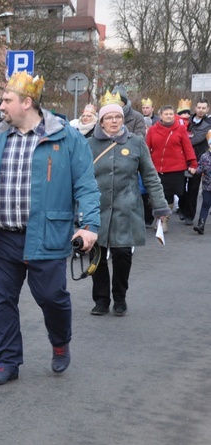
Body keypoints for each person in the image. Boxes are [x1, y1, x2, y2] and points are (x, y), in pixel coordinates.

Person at [0, 72, 101, 386]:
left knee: (52, 297)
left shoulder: (67, 138)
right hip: (2, 237)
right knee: (2, 299)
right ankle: (8, 362)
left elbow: (87, 187)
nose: (1, 106)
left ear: (27, 103)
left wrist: (90, 226)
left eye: (8, 100)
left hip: (46, 235)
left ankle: (60, 341)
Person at [88, 94, 170, 317]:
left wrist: (160, 207)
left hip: (127, 208)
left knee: (123, 254)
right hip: (97, 209)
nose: (114, 121)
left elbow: (151, 176)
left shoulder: (136, 143)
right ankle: (101, 300)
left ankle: (120, 297)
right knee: (97, 254)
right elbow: (79, 179)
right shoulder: (88, 145)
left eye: (118, 117)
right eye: (109, 118)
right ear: (101, 121)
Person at [145, 104, 198, 232]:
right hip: (156, 168)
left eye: (170, 114)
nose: (169, 116)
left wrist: (193, 163)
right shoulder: (152, 130)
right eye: (166, 114)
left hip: (175, 168)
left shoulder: (180, 129)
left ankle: (164, 221)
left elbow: (187, 148)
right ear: (161, 116)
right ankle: (157, 217)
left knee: (168, 195)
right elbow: (146, 149)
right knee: (155, 195)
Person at [180, 99, 211, 225]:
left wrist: (184, 138)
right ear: (195, 107)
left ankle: (190, 215)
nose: (201, 110)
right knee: (180, 187)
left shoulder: (208, 124)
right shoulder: (187, 121)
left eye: (204, 108)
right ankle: (183, 209)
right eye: (199, 107)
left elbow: (196, 139)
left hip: (198, 160)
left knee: (193, 189)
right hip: (182, 158)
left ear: (207, 109)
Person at [194, 131, 211, 234]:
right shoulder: (205, 156)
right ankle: (201, 224)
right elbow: (200, 168)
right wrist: (195, 170)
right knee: (205, 203)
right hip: (207, 186)